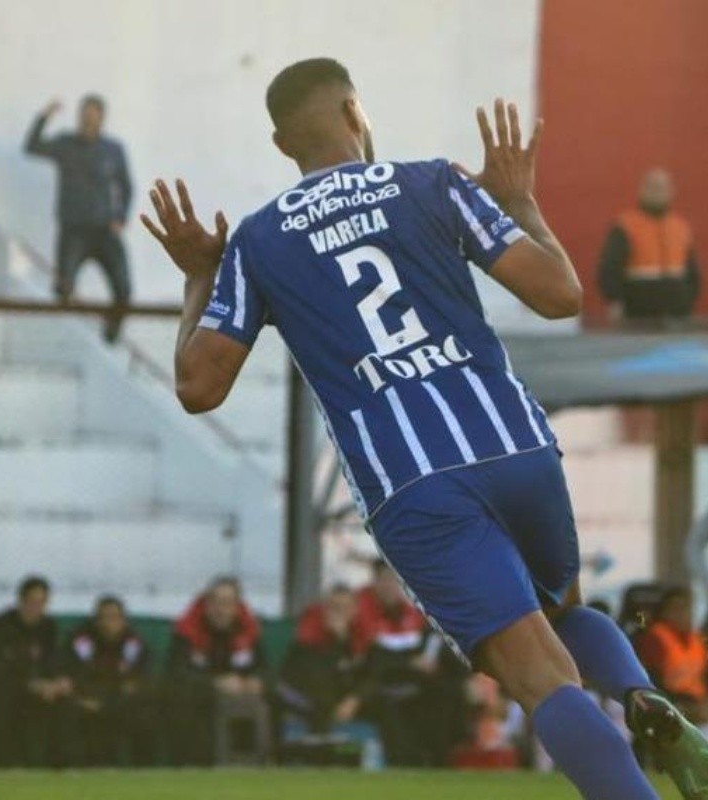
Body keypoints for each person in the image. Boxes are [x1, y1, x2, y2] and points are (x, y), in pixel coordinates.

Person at [142, 57, 708, 798]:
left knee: (541, 682)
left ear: (284, 147)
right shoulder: (434, 181)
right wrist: (521, 203)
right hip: (516, 448)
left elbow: (198, 386)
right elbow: (560, 294)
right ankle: (640, 696)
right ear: (355, 112)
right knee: (560, 615)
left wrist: (197, 280)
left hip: (413, 484)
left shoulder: (257, 241)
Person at [24, 94, 133, 341]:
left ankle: (111, 332)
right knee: (63, 288)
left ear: (102, 119)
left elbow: (125, 186)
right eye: (84, 117)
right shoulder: (65, 144)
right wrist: (44, 116)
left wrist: (120, 216)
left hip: (105, 230)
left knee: (124, 289)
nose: (87, 122)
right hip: (74, 230)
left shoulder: (113, 150)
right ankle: (68, 338)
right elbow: (31, 146)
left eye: (93, 117)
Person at [358, 561, 467, 766]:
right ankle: (406, 764)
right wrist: (409, 664)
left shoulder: (413, 617)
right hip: (378, 686)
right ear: (375, 583)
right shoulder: (363, 615)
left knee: (447, 691)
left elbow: (436, 649)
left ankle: (441, 763)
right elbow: (371, 663)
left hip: (417, 685)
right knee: (394, 705)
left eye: (393, 580)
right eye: (384, 580)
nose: (389, 586)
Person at [0, 575, 71, 766]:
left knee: (66, 704)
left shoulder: (48, 627)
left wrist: (57, 683)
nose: (36, 608)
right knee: (0, 704)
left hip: (39, 693)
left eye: (42, 602)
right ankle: (9, 767)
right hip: (6, 691)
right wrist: (29, 684)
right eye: (32, 601)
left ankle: (61, 769)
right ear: (21, 600)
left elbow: (55, 663)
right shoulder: (0, 627)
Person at [166, 576, 267, 765]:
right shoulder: (186, 632)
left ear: (237, 607)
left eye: (228, 603)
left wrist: (256, 681)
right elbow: (176, 675)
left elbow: (264, 670)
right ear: (206, 604)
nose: (221, 610)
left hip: (241, 704)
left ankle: (258, 766)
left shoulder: (249, 632)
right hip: (199, 705)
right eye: (216, 602)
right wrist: (215, 683)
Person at [63, 596, 156, 766]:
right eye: (104, 618)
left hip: (121, 702)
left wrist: (113, 698)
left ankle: (143, 773)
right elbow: (76, 674)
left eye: (115, 617)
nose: (109, 623)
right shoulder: (82, 641)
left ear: (124, 620)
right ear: (96, 620)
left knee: (144, 715)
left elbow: (140, 678)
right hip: (87, 700)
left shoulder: (133, 642)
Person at [598, 169, 700, 322]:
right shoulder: (625, 226)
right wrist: (615, 301)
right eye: (652, 187)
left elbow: (693, 272)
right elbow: (609, 269)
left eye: (662, 188)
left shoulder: (680, 228)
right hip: (638, 313)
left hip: (678, 313)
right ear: (642, 191)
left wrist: (687, 299)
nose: (657, 192)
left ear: (672, 192)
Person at [278, 584, 372, 736]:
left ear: (355, 611)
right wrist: (338, 639)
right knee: (322, 698)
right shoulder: (309, 634)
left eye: (345, 608)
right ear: (325, 610)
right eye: (335, 607)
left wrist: (355, 699)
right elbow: (320, 676)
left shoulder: (361, 636)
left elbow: (370, 674)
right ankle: (322, 750)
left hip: (345, 697)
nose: (340, 613)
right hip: (301, 693)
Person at [638, 588, 708, 724]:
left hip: (697, 705)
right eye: (676, 609)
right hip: (671, 706)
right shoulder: (655, 638)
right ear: (664, 612)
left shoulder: (695, 639)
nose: (683, 614)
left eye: (686, 609)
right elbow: (649, 682)